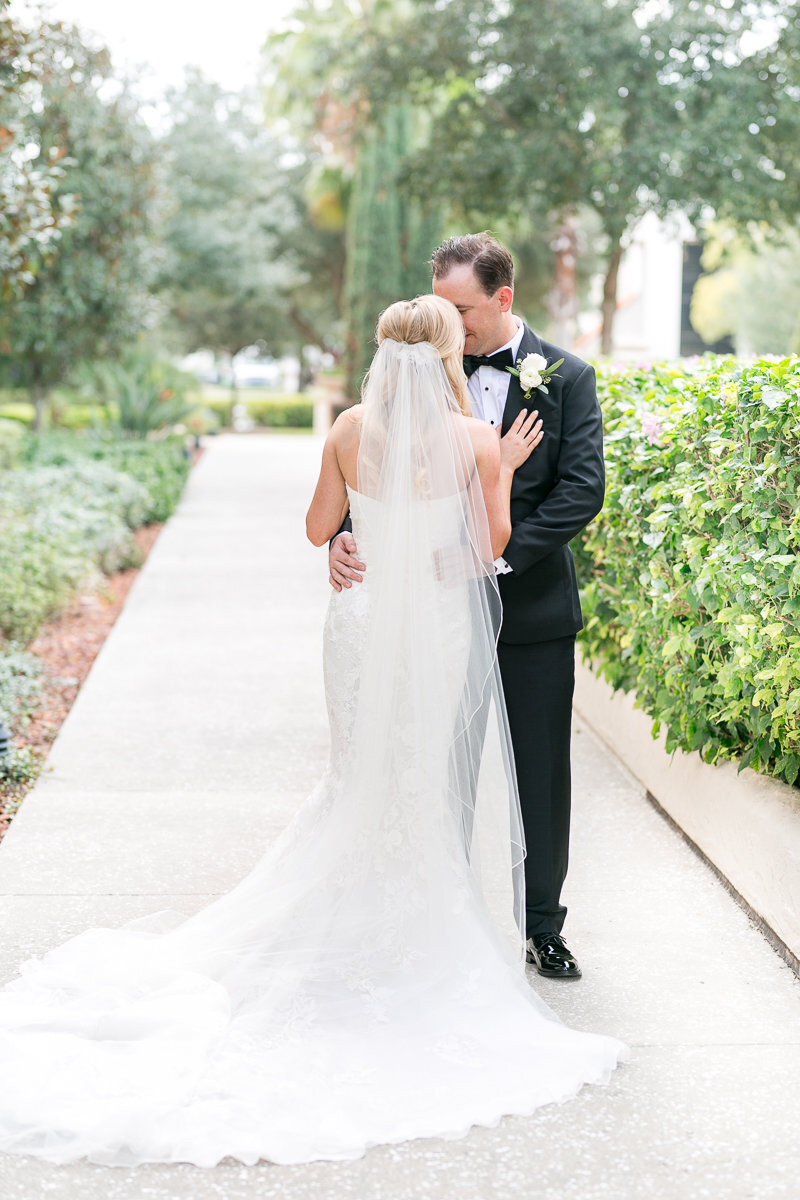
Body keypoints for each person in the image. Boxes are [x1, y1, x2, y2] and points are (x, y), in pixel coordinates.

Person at [0, 295, 624, 1168]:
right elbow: (489, 545)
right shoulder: (477, 441)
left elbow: (314, 527)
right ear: (446, 354)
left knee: (361, 772)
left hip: (362, 623)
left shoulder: (346, 429)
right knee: (424, 773)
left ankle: (352, 919)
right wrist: (506, 469)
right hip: (438, 624)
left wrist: (350, 536)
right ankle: (415, 931)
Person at [330, 235, 605, 980]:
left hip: (533, 614)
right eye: (441, 307)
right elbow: (378, 475)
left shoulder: (569, 376)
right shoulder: (410, 381)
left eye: (461, 310)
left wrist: (497, 558)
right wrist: (347, 540)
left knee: (539, 773)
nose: (447, 324)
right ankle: (440, 914)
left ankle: (542, 928)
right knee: (438, 766)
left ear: (503, 299)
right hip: (432, 616)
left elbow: (582, 489)